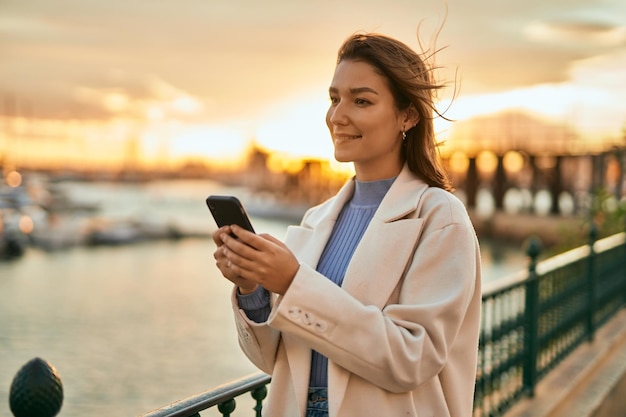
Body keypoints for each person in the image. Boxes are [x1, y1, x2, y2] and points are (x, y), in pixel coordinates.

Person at [212, 32, 481, 417]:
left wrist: (291, 282)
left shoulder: (440, 218)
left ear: (407, 115)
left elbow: (411, 358)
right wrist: (251, 286)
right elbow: (277, 359)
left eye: (362, 101)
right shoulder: (316, 219)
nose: (338, 116)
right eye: (334, 98)